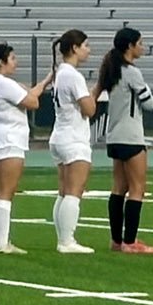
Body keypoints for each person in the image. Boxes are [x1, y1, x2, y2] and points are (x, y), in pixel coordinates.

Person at [0, 42, 54, 255]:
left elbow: (29, 95)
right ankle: (1, 242)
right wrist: (27, 90)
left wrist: (46, 81)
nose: (16, 62)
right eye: (12, 58)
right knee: (6, 191)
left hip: (1, 136)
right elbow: (33, 102)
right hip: (9, 138)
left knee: (0, 191)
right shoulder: (3, 82)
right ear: (1, 61)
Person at [94, 28, 153, 254]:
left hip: (114, 136)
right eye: (140, 43)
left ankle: (116, 240)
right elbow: (149, 103)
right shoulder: (131, 72)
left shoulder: (112, 70)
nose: (143, 47)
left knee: (118, 188)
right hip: (131, 136)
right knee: (137, 188)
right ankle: (130, 242)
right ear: (130, 46)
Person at [49, 30, 97, 254]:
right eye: (85, 45)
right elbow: (89, 109)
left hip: (60, 135)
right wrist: (93, 94)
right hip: (73, 138)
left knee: (64, 191)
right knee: (74, 191)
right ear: (74, 48)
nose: (88, 50)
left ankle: (63, 238)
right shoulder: (73, 75)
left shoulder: (60, 72)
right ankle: (67, 240)